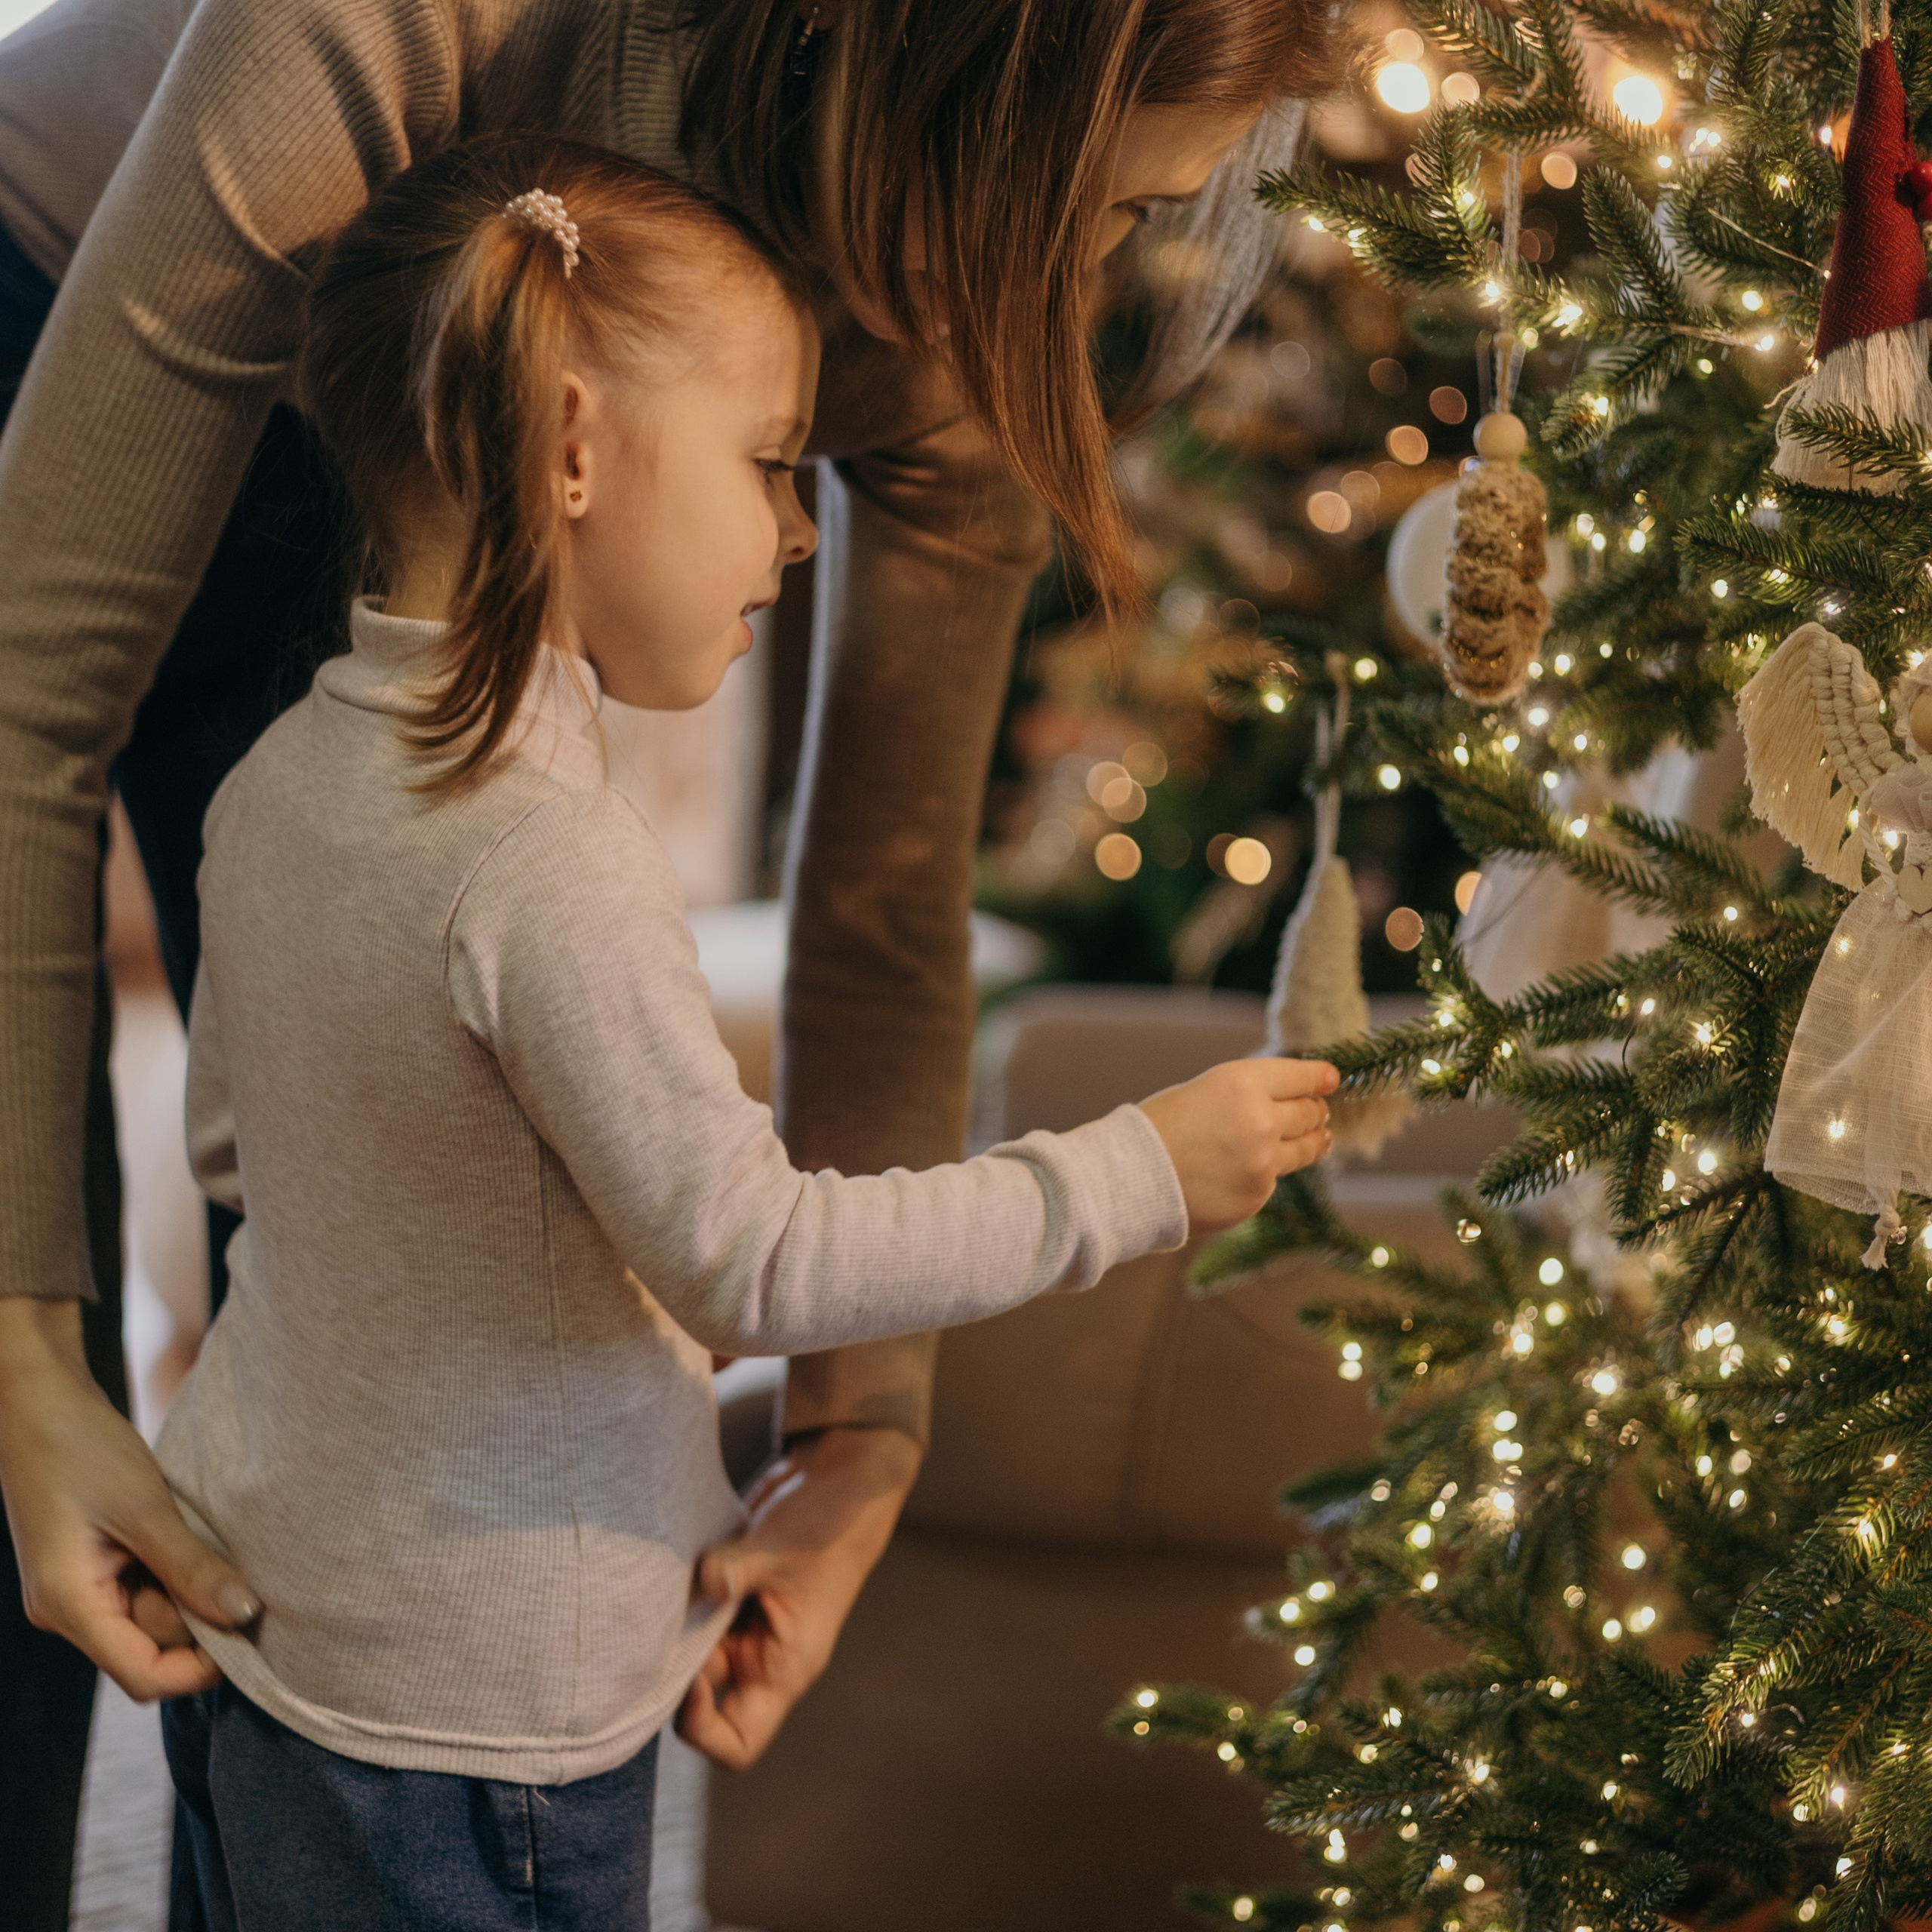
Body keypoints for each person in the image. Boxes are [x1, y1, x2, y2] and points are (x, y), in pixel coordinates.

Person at [0, 0, 1327, 1918]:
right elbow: (22, 702)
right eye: (1102, 211)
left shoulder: (305, 796)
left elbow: (878, 902)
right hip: (66, 280)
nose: (1086, 288)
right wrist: (30, 1350)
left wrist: (858, 1429)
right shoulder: (399, 37)